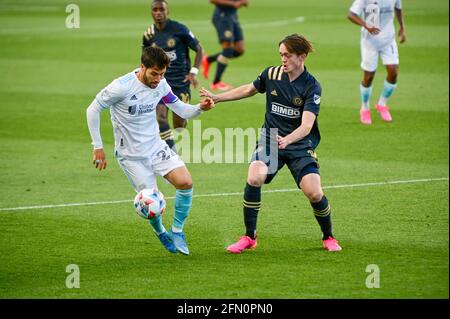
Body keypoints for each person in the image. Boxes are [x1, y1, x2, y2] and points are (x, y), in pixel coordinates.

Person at [200, 34, 342, 253]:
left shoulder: (312, 86)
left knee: (314, 192)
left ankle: (328, 236)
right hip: (271, 138)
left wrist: (288, 140)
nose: (283, 59)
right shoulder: (272, 74)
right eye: (281, 55)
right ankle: (249, 236)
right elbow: (249, 89)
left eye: (288, 55)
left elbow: (306, 126)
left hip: (299, 144)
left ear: (301, 56)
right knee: (254, 177)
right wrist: (218, 97)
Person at [86, 46, 214, 255]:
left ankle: (177, 230)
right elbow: (93, 109)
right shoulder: (121, 87)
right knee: (150, 202)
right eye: (154, 73)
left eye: (162, 74)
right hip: (131, 156)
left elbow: (180, 109)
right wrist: (97, 146)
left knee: (186, 182)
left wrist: (200, 108)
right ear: (142, 67)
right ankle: (161, 232)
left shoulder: (161, 84)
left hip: (156, 147)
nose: (158, 79)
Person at [143, 0, 204, 149]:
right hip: (159, 83)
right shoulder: (148, 34)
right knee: (161, 118)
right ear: (151, 12)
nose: (158, 12)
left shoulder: (180, 29)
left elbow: (199, 49)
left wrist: (193, 73)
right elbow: (145, 58)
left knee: (179, 126)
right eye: (155, 10)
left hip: (180, 82)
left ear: (167, 11)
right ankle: (171, 151)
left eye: (161, 9)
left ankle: (183, 119)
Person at [347, 0, 406, 125]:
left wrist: (402, 27)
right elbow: (351, 15)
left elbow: (398, 9)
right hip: (370, 42)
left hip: (388, 40)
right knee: (368, 77)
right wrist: (365, 24)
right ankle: (364, 108)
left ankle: (382, 104)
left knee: (393, 72)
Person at [201, 0, 248, 91]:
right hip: (222, 17)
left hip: (233, 16)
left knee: (239, 49)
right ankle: (216, 82)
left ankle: (208, 59)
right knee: (228, 49)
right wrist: (233, 4)